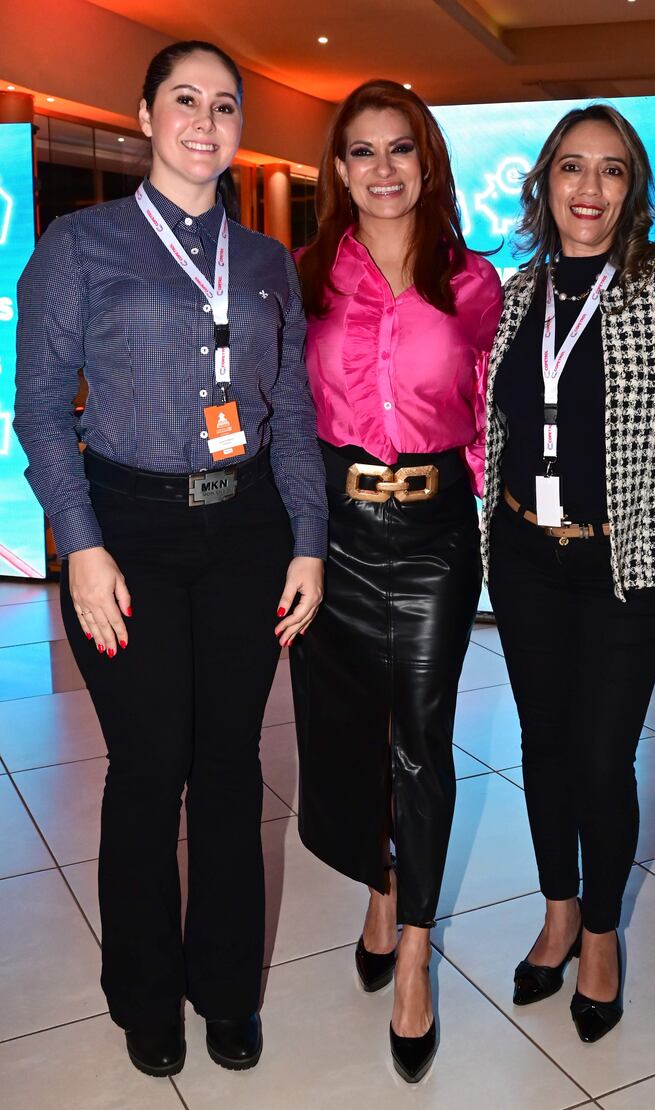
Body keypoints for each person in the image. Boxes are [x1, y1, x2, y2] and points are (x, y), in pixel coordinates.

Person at [15, 40, 326, 1077]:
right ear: (145, 114)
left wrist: (309, 544)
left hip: (245, 535)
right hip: (127, 532)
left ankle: (227, 989)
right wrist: (83, 546)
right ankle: (143, 991)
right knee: (150, 769)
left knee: (231, 771)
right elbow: (40, 412)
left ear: (243, 127)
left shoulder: (269, 260)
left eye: (225, 104)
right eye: (184, 100)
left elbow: (288, 422)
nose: (205, 120)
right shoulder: (80, 244)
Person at [483, 104, 655, 1043]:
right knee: (542, 748)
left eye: (612, 172)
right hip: (521, 557)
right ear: (544, 185)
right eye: (572, 170)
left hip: (622, 566)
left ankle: (599, 935)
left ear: (634, 191)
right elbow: (498, 426)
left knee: (600, 757)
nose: (589, 190)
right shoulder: (518, 294)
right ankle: (555, 912)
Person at [292, 79, 501, 1082]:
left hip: (431, 535)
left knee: (419, 739)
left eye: (400, 150)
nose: (382, 170)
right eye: (362, 152)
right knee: (343, 738)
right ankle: (377, 885)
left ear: (427, 163)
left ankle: (410, 948)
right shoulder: (300, 277)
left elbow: (498, 416)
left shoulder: (476, 283)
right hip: (329, 528)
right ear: (337, 169)